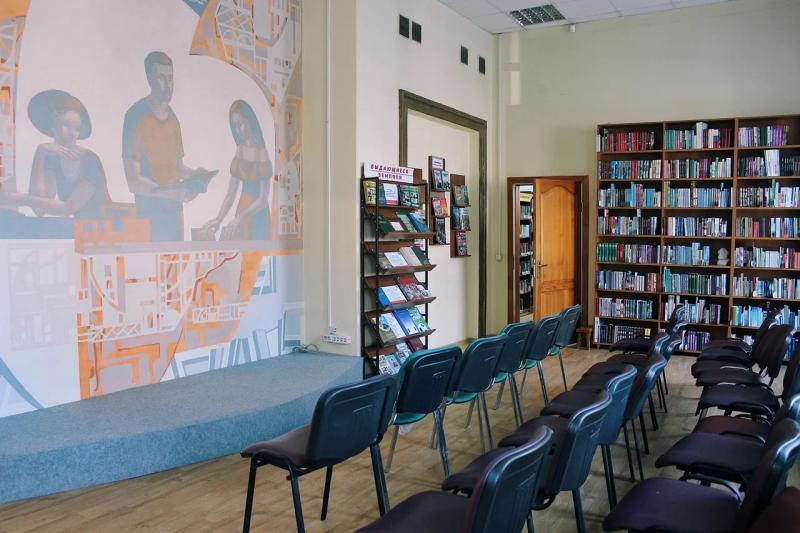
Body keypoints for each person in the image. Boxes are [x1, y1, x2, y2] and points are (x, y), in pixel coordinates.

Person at [122, 51, 216, 242]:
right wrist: (172, 193)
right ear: (149, 79)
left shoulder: (173, 119)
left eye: (170, 78)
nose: (168, 85)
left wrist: (194, 175)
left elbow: (177, 168)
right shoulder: (135, 116)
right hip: (149, 216)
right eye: (161, 78)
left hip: (174, 214)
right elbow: (133, 180)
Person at [0, 90, 110, 218]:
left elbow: (66, 209)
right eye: (67, 125)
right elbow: (39, 210)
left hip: (102, 224)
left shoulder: (90, 160)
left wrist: (19, 199)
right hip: (74, 226)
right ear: (53, 126)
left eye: (76, 128)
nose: (72, 133)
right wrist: (40, 154)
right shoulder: (52, 158)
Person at [201, 100, 273, 240]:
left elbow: (263, 199)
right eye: (235, 126)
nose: (238, 130)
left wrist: (240, 218)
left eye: (241, 123)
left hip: (256, 215)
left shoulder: (262, 154)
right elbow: (230, 194)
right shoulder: (239, 151)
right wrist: (218, 220)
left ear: (250, 121)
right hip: (241, 212)